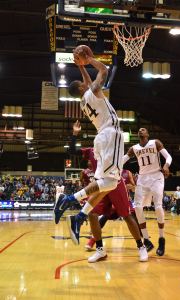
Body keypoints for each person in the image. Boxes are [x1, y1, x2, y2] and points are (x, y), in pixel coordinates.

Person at [54, 48, 124, 245]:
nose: (86, 82)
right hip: (111, 135)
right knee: (111, 184)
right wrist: (90, 59)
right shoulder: (92, 91)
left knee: (103, 188)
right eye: (84, 82)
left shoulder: (84, 101)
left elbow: (85, 83)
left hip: (101, 138)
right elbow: (104, 70)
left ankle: (79, 217)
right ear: (82, 88)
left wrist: (81, 66)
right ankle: (69, 199)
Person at [65, 121, 147, 262]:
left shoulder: (113, 149)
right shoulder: (91, 151)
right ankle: (100, 250)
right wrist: (75, 134)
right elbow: (71, 151)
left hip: (115, 183)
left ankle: (141, 246)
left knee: (127, 215)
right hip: (101, 185)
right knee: (92, 214)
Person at [123, 128, 172, 256]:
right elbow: (122, 160)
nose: (141, 129)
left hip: (156, 176)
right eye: (139, 130)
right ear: (138, 135)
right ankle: (146, 239)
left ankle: (161, 239)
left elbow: (168, 156)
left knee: (158, 206)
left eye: (143, 129)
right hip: (142, 178)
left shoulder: (155, 143)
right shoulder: (134, 148)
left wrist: (166, 165)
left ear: (147, 134)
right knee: (137, 207)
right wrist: (113, 166)